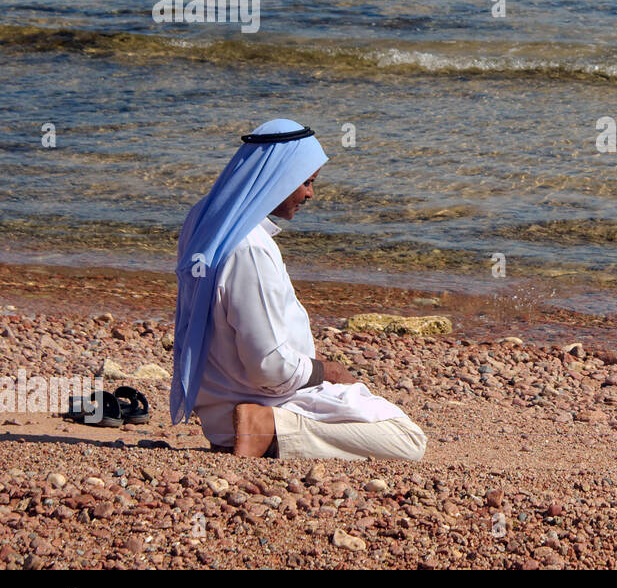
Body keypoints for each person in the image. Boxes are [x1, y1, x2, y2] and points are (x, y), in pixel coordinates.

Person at [170, 118, 426, 461]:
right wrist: (328, 371)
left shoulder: (204, 217)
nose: (310, 194)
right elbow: (269, 367)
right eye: (305, 182)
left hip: (219, 406)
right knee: (407, 439)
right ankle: (266, 428)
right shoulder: (250, 249)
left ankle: (264, 429)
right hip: (262, 399)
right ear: (278, 178)